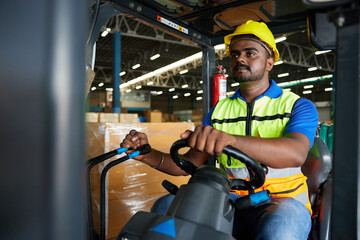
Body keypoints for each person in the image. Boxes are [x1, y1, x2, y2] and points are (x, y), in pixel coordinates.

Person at [120, 20, 318, 240]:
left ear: (269, 61)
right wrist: (148, 154)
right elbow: (189, 164)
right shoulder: (219, 111)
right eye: (235, 54)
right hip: (227, 199)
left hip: (281, 200)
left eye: (250, 53)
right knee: (165, 207)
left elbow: (296, 152)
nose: (240, 58)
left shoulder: (297, 105)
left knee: (281, 231)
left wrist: (229, 140)